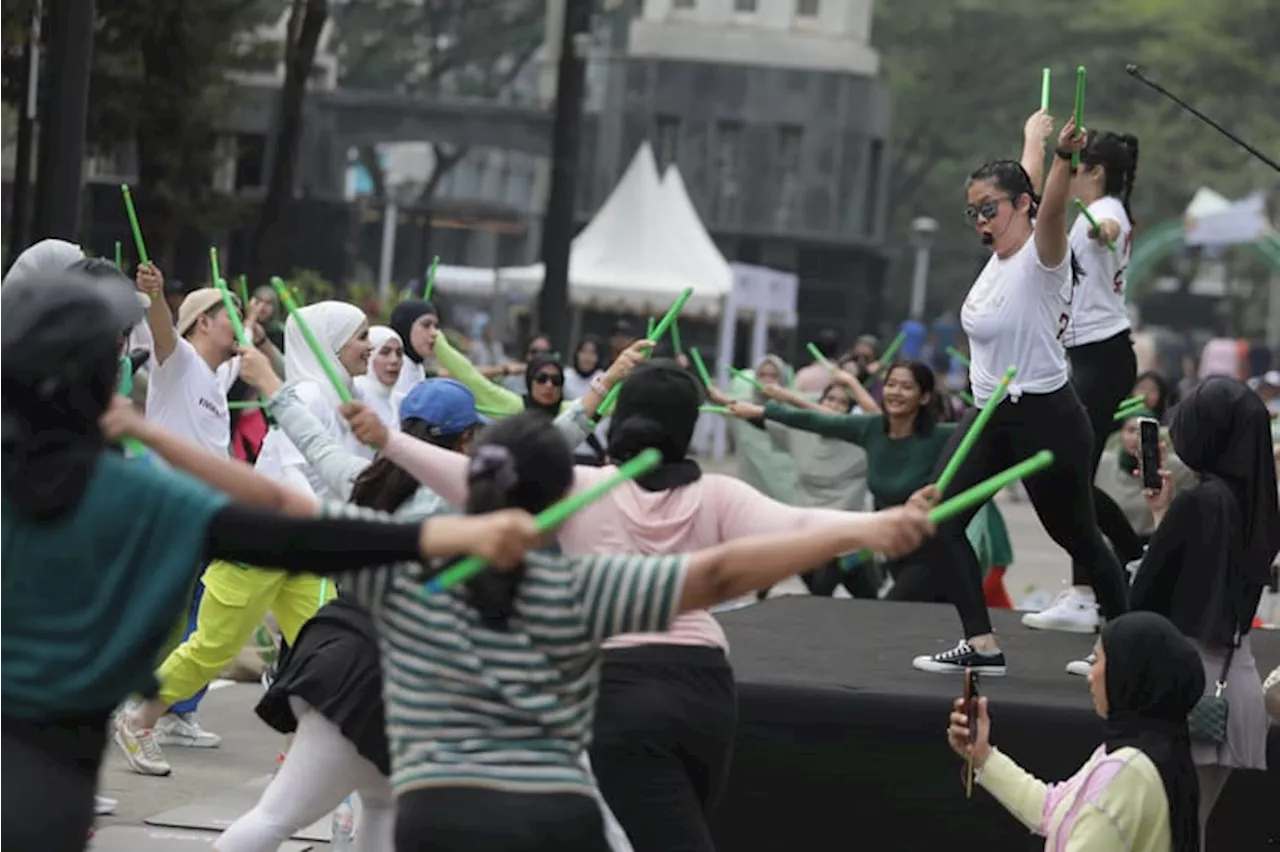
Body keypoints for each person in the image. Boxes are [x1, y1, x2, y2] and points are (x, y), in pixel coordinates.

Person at [0, 269, 516, 852]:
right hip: (46, 784)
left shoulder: (130, 485)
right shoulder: (133, 492)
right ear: (100, 383)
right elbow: (282, 519)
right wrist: (450, 540)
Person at [347, 360, 938, 852]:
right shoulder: (718, 494)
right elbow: (801, 523)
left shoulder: (580, 489)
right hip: (706, 692)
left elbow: (469, 477)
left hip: (616, 693)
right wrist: (880, 525)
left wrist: (390, 440)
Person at [910, 116, 1130, 676]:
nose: (981, 221)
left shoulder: (1043, 257)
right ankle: (982, 645)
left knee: (1078, 536)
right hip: (988, 414)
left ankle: (1123, 652)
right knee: (939, 518)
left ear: (1022, 207)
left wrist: (1061, 159)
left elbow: (1049, 206)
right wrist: (1033, 138)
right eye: (974, 211)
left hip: (1046, 415)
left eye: (990, 209)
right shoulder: (1000, 256)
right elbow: (1022, 185)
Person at [114, 301, 370, 775]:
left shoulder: (342, 395)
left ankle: (310, 754)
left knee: (327, 649)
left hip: (301, 548)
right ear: (331, 342)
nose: (369, 346)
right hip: (261, 540)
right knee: (213, 645)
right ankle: (138, 719)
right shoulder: (311, 394)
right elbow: (293, 471)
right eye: (360, 336)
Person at [1129, 377, 1279, 844]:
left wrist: (1163, 520)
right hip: (1236, 683)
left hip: (1184, 684)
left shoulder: (1198, 502)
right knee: (1191, 833)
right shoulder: (1260, 508)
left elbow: (1146, 592)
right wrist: (1165, 517)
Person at [1021, 124, 1145, 636]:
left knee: (1072, 474)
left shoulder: (1108, 211)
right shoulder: (1095, 210)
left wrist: (1101, 230)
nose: (1066, 175)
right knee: (1071, 475)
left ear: (1093, 172)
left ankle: (1088, 592)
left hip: (1103, 355)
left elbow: (1108, 230)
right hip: (1088, 356)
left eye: (1074, 166)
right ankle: (1127, 562)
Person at [947, 611, 1203, 851]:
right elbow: (1053, 809)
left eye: (1098, 660)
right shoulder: (1149, 751)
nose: (1090, 676)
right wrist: (983, 757)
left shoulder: (1126, 772)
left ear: (1128, 673)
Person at [388, 298, 440, 408]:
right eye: (426, 325)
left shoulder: (417, 367)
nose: (434, 333)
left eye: (435, 326)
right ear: (406, 327)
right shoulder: (390, 369)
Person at [354, 325, 405, 429]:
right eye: (384, 352)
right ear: (368, 355)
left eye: (399, 353)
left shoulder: (399, 402)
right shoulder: (355, 395)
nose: (394, 360)